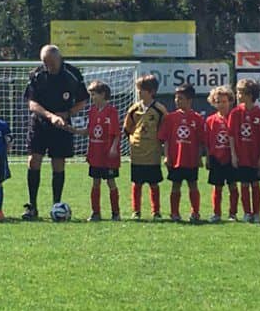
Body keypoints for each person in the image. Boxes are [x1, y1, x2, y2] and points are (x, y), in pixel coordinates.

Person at [22, 44, 90, 220]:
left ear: (59, 58)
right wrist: (50, 116)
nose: (49, 66)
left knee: (58, 163)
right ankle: (32, 206)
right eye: (45, 63)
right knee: (33, 161)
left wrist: (67, 114)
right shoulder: (36, 74)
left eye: (51, 63)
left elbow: (82, 101)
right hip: (40, 123)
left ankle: (56, 204)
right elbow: (32, 103)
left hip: (62, 125)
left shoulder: (72, 75)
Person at [157, 84, 206, 222]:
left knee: (193, 184)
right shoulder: (170, 118)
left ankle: (195, 213)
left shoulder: (197, 118)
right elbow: (165, 139)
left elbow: (201, 140)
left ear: (189, 100)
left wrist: (199, 157)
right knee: (175, 185)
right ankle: (174, 213)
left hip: (191, 159)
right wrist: (166, 156)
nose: (177, 101)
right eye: (176, 98)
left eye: (181, 98)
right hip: (175, 159)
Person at [75, 80, 121, 222]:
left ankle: (116, 213)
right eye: (91, 95)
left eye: (94, 94)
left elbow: (117, 134)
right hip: (95, 154)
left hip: (107, 155)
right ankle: (96, 212)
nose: (92, 98)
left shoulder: (111, 111)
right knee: (95, 182)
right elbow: (90, 131)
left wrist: (114, 148)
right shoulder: (92, 112)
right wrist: (74, 130)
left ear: (103, 95)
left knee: (111, 182)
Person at [124, 74, 167, 220]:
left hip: (153, 153)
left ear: (151, 91)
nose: (139, 92)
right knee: (137, 183)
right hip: (137, 153)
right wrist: (133, 142)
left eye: (141, 89)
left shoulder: (160, 110)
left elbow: (165, 130)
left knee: (154, 184)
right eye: (138, 89)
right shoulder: (134, 109)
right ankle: (136, 211)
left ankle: (156, 212)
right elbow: (127, 128)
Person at [228, 79, 260, 223]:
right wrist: (233, 154)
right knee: (243, 183)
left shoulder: (259, 114)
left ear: (249, 95)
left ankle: (257, 213)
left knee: (255, 184)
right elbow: (231, 135)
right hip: (241, 155)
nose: (237, 95)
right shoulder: (235, 113)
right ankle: (247, 212)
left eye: (240, 92)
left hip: (255, 155)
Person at [205, 85, 238, 223]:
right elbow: (207, 142)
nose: (222, 104)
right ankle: (216, 213)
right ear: (214, 103)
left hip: (231, 158)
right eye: (218, 101)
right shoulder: (210, 120)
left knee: (233, 186)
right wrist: (207, 157)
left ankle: (233, 213)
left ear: (230, 101)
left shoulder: (235, 117)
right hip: (216, 158)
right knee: (217, 187)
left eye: (224, 101)